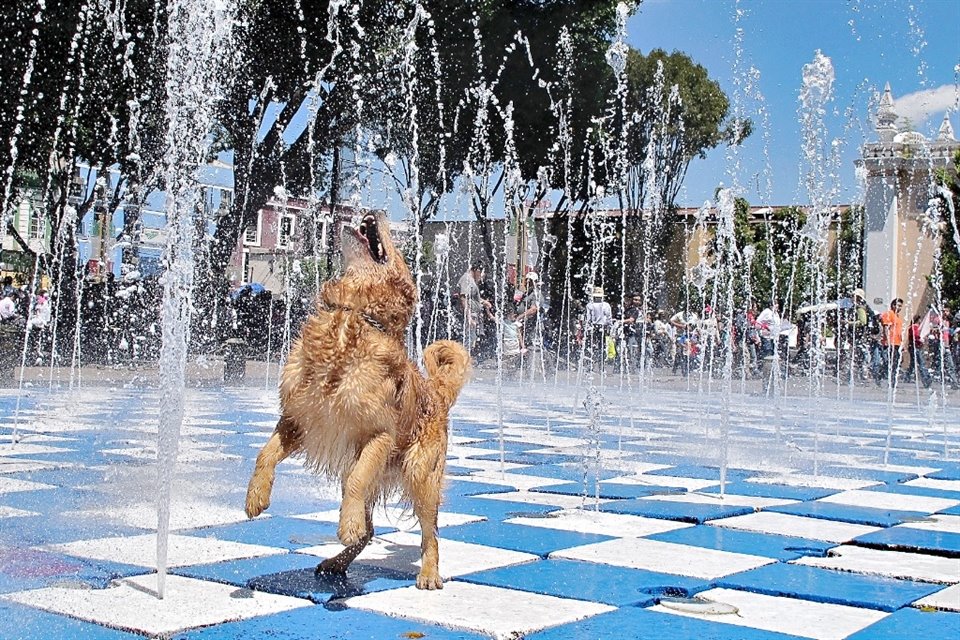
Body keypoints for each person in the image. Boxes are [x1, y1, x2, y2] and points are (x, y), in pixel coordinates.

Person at [457, 263, 489, 357]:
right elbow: (463, 298)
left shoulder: (471, 280)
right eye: (481, 272)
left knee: (472, 339)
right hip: (469, 314)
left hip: (474, 314)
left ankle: (465, 359)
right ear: (476, 270)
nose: (481, 275)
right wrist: (469, 317)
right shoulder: (467, 279)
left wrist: (483, 302)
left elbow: (472, 297)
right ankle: (462, 361)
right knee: (468, 340)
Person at [878, 298, 904, 387]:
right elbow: (886, 328)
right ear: (893, 305)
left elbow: (898, 331)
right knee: (891, 362)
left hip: (897, 343)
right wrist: (887, 341)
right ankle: (889, 380)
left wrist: (901, 343)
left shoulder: (897, 316)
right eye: (898, 305)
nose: (899, 308)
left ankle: (883, 377)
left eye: (901, 306)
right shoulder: (889, 314)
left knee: (895, 362)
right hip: (890, 342)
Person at [584, 286, 612, 371]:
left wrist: (587, 328)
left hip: (593, 327)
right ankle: (601, 365)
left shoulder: (590, 305)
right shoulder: (606, 305)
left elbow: (587, 318)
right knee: (602, 347)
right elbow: (609, 317)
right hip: (602, 327)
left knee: (590, 346)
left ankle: (590, 365)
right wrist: (609, 327)